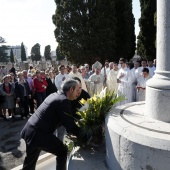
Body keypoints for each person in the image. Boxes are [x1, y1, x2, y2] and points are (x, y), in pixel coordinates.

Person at [21, 79, 86, 170]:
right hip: (38, 134)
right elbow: (70, 125)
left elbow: (64, 120)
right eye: (76, 91)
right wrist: (85, 137)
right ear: (71, 89)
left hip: (29, 130)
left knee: (30, 161)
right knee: (62, 151)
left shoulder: (54, 95)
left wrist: (72, 132)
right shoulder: (63, 101)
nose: (77, 94)